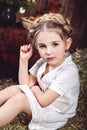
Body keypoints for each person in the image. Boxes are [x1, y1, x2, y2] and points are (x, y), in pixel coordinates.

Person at [0, 13, 80, 130]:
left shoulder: (68, 72)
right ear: (37, 47)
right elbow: (24, 85)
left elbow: (43, 101)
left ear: (67, 44)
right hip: (40, 99)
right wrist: (23, 61)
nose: (48, 51)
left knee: (20, 99)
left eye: (55, 44)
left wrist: (34, 88)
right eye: (42, 46)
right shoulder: (43, 62)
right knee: (15, 89)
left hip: (55, 112)